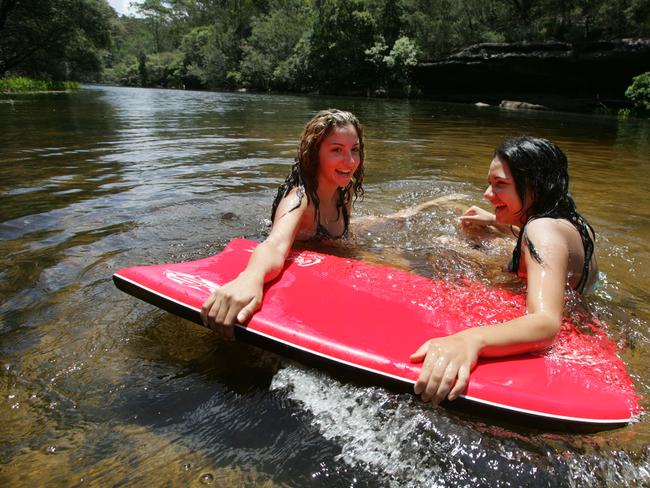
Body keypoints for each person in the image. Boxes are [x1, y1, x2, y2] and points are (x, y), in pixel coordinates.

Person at [410, 136, 598, 405]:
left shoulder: (541, 230)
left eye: (500, 185)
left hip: (553, 340)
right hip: (584, 317)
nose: (487, 194)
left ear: (534, 186)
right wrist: (496, 221)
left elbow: (546, 323)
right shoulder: (575, 223)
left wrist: (470, 340)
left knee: (443, 247)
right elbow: (551, 246)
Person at [201, 109, 365, 337]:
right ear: (315, 154)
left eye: (354, 150)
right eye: (336, 150)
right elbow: (275, 245)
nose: (349, 161)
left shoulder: (343, 194)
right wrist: (250, 278)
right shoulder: (299, 200)